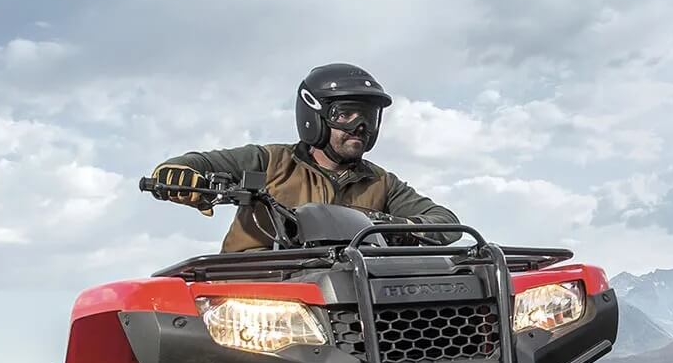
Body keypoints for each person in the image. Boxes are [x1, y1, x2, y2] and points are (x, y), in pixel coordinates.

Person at [148, 63, 459, 250]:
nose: (360, 127)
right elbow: (195, 163)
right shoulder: (270, 161)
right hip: (261, 288)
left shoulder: (381, 182)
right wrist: (179, 174)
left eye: (368, 118)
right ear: (314, 117)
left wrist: (390, 225)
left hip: (345, 292)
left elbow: (446, 223)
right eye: (345, 115)